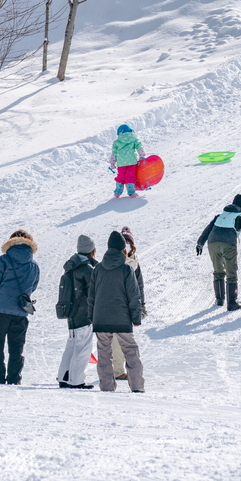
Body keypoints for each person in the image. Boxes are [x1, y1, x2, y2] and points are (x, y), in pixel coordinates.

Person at [0, 230, 39, 385]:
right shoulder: (34, 265)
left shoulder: (4, 260)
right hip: (21, 311)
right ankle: (14, 377)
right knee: (17, 346)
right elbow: (33, 287)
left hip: (0, 310)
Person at [90, 231, 145, 392]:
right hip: (122, 318)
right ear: (123, 249)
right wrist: (136, 318)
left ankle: (106, 387)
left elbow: (91, 296)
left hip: (101, 319)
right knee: (130, 351)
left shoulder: (98, 269)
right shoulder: (126, 270)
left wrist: (91, 317)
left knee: (104, 353)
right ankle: (137, 387)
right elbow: (134, 296)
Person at [196, 194, 241, 311]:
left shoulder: (220, 215)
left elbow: (207, 229)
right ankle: (232, 302)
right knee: (231, 273)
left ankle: (219, 299)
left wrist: (200, 243)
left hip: (212, 243)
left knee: (218, 271)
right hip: (228, 244)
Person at [57, 235, 98, 389]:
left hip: (71, 313)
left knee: (72, 345)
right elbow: (94, 292)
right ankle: (76, 380)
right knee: (83, 348)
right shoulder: (86, 268)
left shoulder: (71, 266)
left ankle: (64, 376)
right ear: (91, 250)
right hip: (83, 314)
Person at [111, 226, 147, 379]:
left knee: (119, 339)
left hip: (122, 305)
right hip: (121, 305)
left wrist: (142, 305)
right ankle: (119, 371)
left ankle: (119, 370)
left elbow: (139, 285)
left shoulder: (130, 262)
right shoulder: (127, 261)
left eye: (128, 242)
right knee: (119, 339)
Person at [110, 124, 146, 198]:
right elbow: (139, 147)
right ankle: (131, 192)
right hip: (132, 162)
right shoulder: (134, 138)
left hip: (121, 163)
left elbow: (114, 153)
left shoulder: (117, 142)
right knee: (131, 176)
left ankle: (117, 192)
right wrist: (142, 156)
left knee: (120, 176)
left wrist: (112, 162)